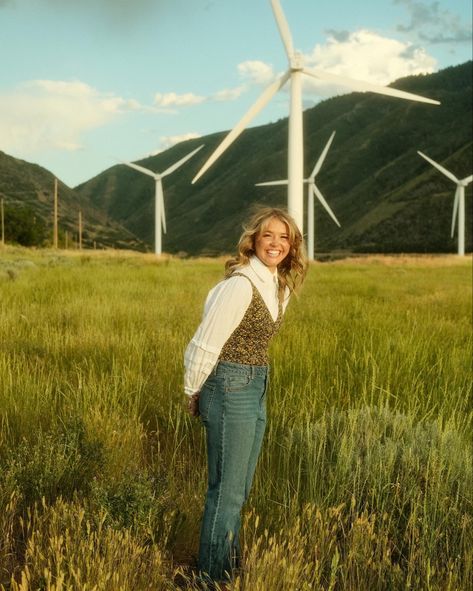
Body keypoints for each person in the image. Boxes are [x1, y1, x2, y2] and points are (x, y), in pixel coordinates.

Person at [184, 206, 307, 586]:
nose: (276, 243)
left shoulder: (276, 284)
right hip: (229, 384)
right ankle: (211, 578)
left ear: (292, 246)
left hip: (256, 384)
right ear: (253, 240)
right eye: (268, 235)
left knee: (240, 487)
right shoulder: (240, 285)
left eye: (284, 237)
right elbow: (204, 343)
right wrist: (193, 390)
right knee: (226, 490)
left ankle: (227, 565)